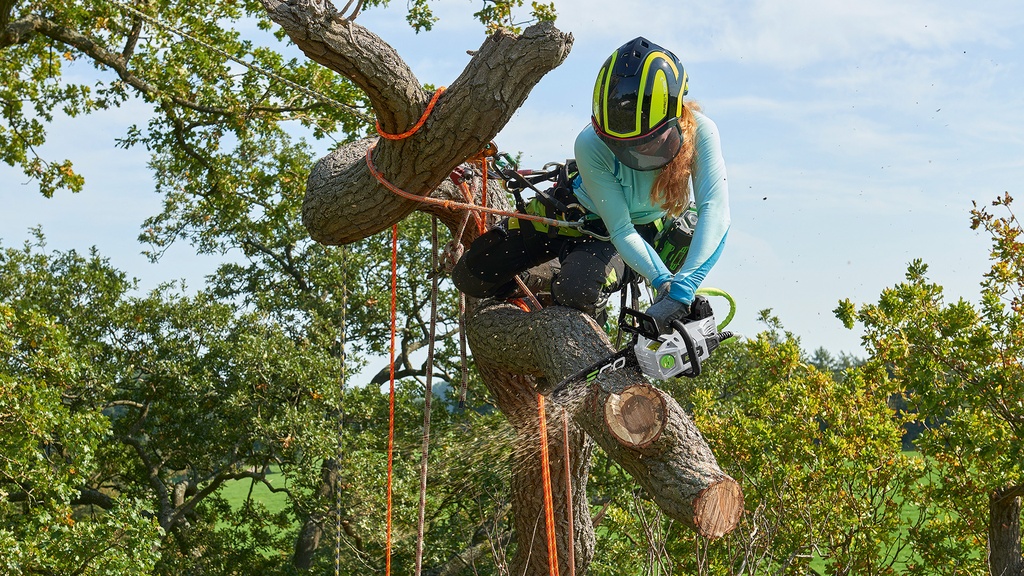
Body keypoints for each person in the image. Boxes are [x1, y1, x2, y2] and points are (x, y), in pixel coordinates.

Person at [452, 36, 730, 333]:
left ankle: (571, 285)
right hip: (573, 211)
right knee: (472, 275)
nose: (635, 153)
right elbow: (618, 225)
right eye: (621, 146)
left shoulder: (702, 132)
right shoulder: (589, 143)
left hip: (633, 235)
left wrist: (675, 287)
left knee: (577, 292)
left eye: (648, 141)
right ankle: (546, 278)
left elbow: (715, 212)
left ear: (674, 115)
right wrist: (666, 285)